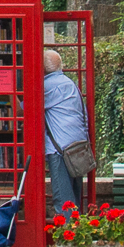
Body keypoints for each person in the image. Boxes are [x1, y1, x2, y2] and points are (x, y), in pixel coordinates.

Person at [43, 47, 89, 209]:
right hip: (78, 147)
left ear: (42, 67)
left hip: (60, 150)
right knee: (74, 198)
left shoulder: (46, 86)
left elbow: (23, 109)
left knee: (63, 200)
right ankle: (78, 231)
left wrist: (9, 90)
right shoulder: (70, 84)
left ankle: (68, 233)